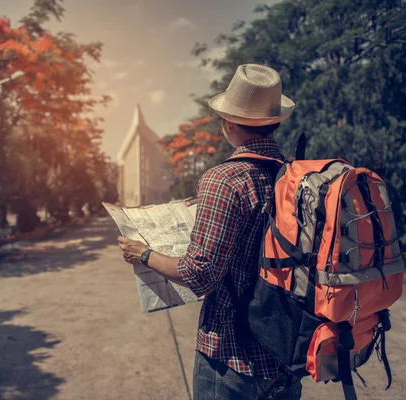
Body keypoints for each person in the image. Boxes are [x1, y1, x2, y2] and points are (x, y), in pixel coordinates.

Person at [118, 64, 302, 400]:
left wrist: (143, 253)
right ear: (274, 122)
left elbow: (199, 274)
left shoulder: (225, 179)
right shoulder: (295, 175)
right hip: (285, 357)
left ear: (229, 123)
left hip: (232, 358)